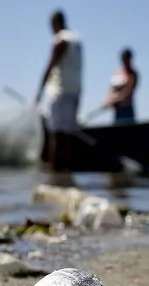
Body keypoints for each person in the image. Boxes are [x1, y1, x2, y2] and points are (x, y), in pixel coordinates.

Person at [35, 9, 83, 172]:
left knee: (55, 134)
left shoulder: (60, 40)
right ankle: (66, 172)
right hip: (75, 91)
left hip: (60, 92)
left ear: (56, 23)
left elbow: (50, 66)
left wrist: (39, 91)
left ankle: (54, 174)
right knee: (67, 135)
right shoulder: (77, 40)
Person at [101, 48, 139, 124]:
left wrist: (119, 100)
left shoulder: (133, 73)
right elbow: (112, 90)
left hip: (127, 109)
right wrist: (107, 101)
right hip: (118, 110)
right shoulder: (118, 73)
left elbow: (129, 90)